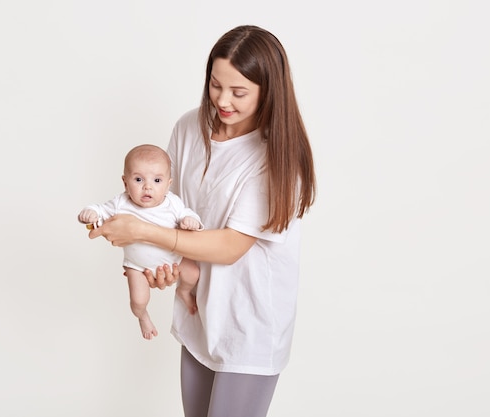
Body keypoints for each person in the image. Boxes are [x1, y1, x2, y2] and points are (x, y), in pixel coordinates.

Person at [89, 25, 316, 417]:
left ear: (268, 91)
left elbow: (230, 246)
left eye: (238, 92)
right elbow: (171, 212)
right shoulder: (188, 127)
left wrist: (141, 230)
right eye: (215, 85)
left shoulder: (275, 158)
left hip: (249, 324)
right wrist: (165, 269)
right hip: (198, 311)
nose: (222, 100)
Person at [78, 144, 203, 340]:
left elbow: (187, 214)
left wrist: (190, 220)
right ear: (125, 182)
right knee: (138, 300)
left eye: (157, 180)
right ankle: (143, 316)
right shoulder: (121, 203)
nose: (147, 186)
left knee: (193, 273)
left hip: (174, 259)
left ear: (168, 183)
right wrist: (90, 213)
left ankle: (184, 291)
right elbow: (101, 211)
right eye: (138, 179)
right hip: (138, 267)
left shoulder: (173, 203)